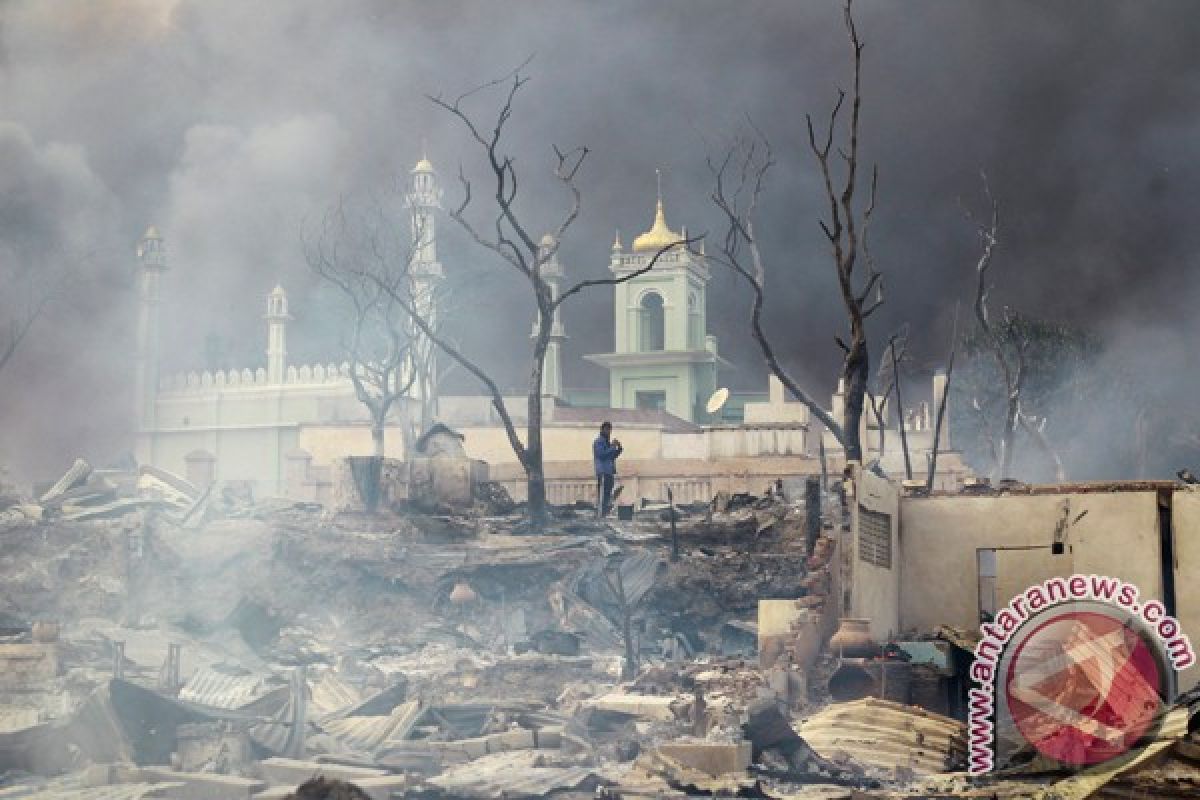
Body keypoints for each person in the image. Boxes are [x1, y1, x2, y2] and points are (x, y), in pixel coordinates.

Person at [593, 421, 623, 518]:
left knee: (608, 494)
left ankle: (605, 513)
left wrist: (619, 448)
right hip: (603, 472)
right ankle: (601, 514)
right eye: (606, 429)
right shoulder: (598, 442)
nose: (608, 432)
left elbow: (612, 456)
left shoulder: (608, 443)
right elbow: (601, 455)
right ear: (602, 430)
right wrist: (612, 447)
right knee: (602, 494)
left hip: (609, 472)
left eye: (610, 430)